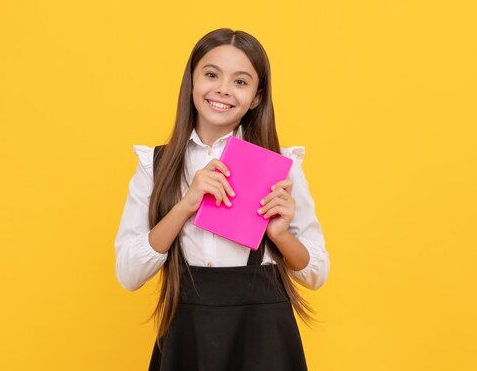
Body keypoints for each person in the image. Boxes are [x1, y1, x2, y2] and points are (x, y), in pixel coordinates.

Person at [114, 28, 330, 371]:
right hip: (189, 336)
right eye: (211, 74)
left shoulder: (280, 167)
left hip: (264, 340)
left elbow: (316, 273)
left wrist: (280, 236)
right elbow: (128, 274)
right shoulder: (155, 165)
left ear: (257, 97)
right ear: (192, 81)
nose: (223, 89)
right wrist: (185, 205)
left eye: (240, 82)